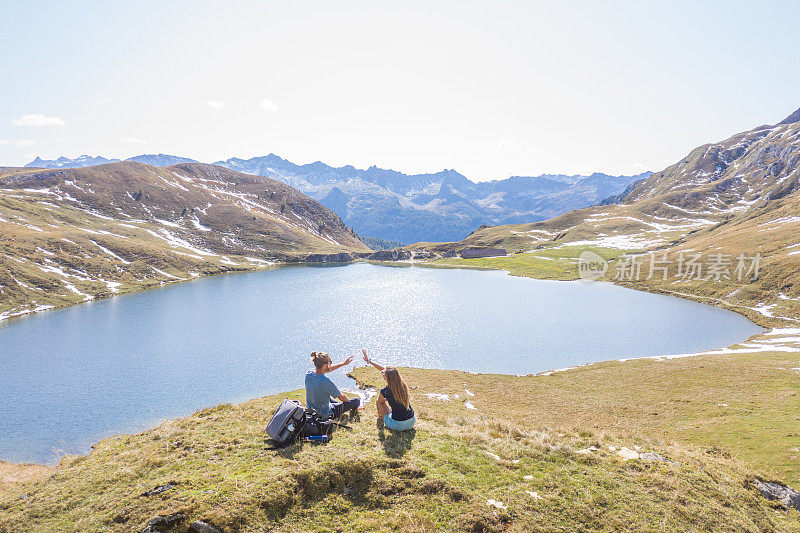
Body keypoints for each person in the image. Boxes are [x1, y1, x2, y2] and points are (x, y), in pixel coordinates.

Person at [362, 349, 415, 431]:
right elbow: (387, 372)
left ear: (386, 377)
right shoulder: (403, 385)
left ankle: (381, 416)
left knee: (379, 402)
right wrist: (369, 361)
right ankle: (390, 415)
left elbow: (381, 402)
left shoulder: (385, 391)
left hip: (398, 425)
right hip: (411, 422)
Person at [305, 351, 360, 420]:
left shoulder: (309, 373)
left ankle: (338, 405)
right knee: (356, 401)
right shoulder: (325, 381)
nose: (331, 363)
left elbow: (326, 370)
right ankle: (352, 411)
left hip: (311, 411)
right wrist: (348, 403)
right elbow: (342, 398)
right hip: (325, 414)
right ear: (325, 365)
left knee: (327, 397)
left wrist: (343, 364)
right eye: (330, 362)